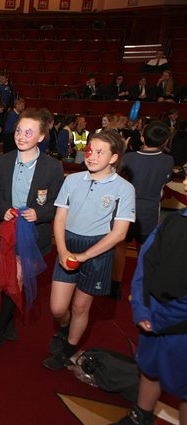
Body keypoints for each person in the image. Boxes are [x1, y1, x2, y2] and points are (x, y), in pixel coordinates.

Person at [101, 176, 187, 425]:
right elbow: (144, 267)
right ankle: (142, 418)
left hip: (178, 325)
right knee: (149, 368)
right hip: (153, 317)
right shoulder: (174, 222)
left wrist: (159, 319)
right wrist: (141, 309)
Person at [43, 130, 135, 370]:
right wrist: (62, 251)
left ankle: (69, 349)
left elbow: (119, 234)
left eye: (99, 152)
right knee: (58, 308)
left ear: (114, 157)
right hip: (69, 245)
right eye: (90, 150)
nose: (91, 156)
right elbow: (60, 218)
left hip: (97, 250)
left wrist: (84, 256)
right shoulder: (72, 180)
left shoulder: (124, 189)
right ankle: (64, 329)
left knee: (81, 306)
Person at [0, 108, 65, 349]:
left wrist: (39, 213)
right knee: (8, 278)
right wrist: (4, 209)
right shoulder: (5, 160)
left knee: (17, 279)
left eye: (28, 132)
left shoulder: (53, 167)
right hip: (6, 232)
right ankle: (8, 322)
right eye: (19, 130)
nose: (20, 136)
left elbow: (59, 204)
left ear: (41, 137)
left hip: (33, 235)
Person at [110, 121, 174, 300]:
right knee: (144, 251)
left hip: (126, 209)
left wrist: (122, 150)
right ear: (164, 141)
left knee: (120, 246)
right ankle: (141, 288)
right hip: (150, 212)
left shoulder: (129, 158)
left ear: (143, 137)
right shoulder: (168, 161)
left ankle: (115, 285)